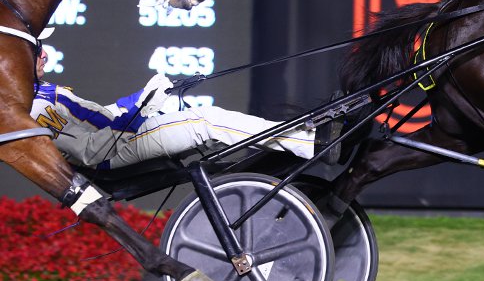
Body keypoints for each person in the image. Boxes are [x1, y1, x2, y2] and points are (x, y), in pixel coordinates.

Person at [30, 48, 332, 169]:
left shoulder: (41, 91)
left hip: (121, 137)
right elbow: (90, 152)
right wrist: (142, 108)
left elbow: (104, 114)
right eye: (36, 49)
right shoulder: (34, 106)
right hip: (112, 155)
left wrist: (145, 97)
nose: (44, 54)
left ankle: (301, 140)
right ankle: (308, 142)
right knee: (209, 121)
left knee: (214, 125)